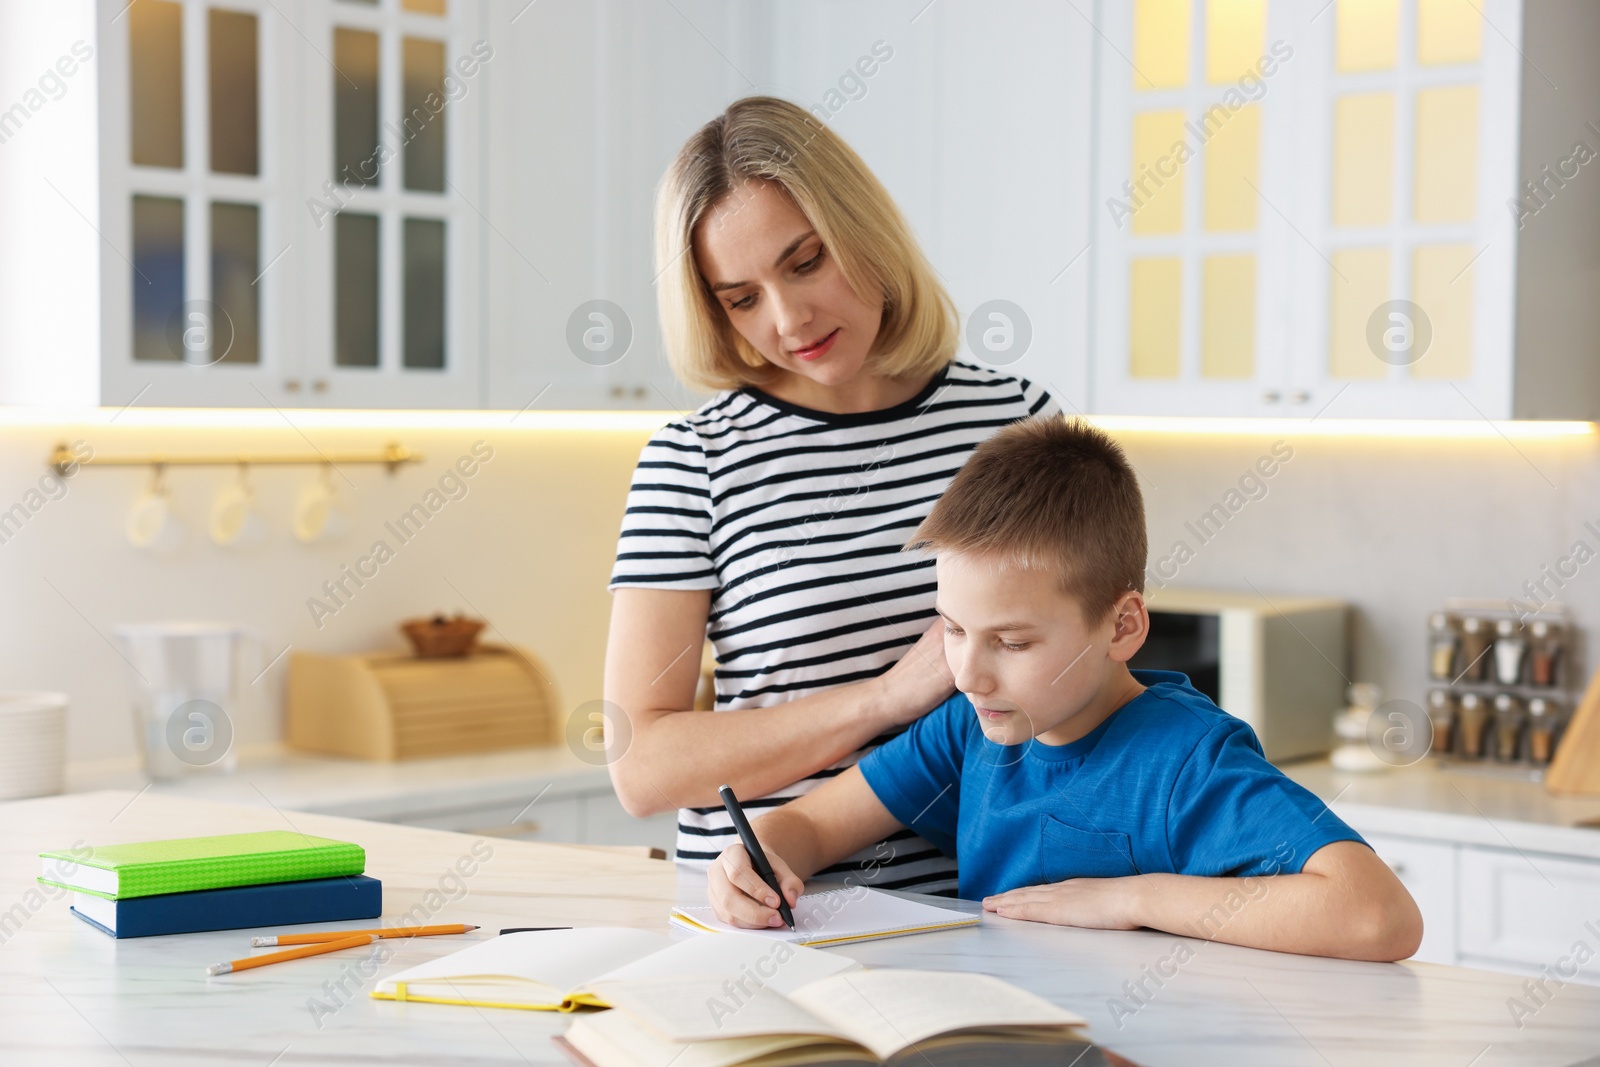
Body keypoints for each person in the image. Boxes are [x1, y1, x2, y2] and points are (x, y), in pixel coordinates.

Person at [707, 416, 1424, 962]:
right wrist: (759, 856)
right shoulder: (970, 729)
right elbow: (813, 824)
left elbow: (1378, 915)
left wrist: (1130, 898)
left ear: (1122, 627)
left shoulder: (1185, 758)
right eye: (952, 629)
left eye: (1012, 642)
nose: (968, 672)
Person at [603, 95, 1059, 896]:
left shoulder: (1015, 424)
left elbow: (1084, 673)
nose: (789, 318)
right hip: (772, 915)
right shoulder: (695, 460)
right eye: (741, 297)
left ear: (864, 231)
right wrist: (885, 697)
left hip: (992, 909)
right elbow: (641, 764)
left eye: (806, 261)